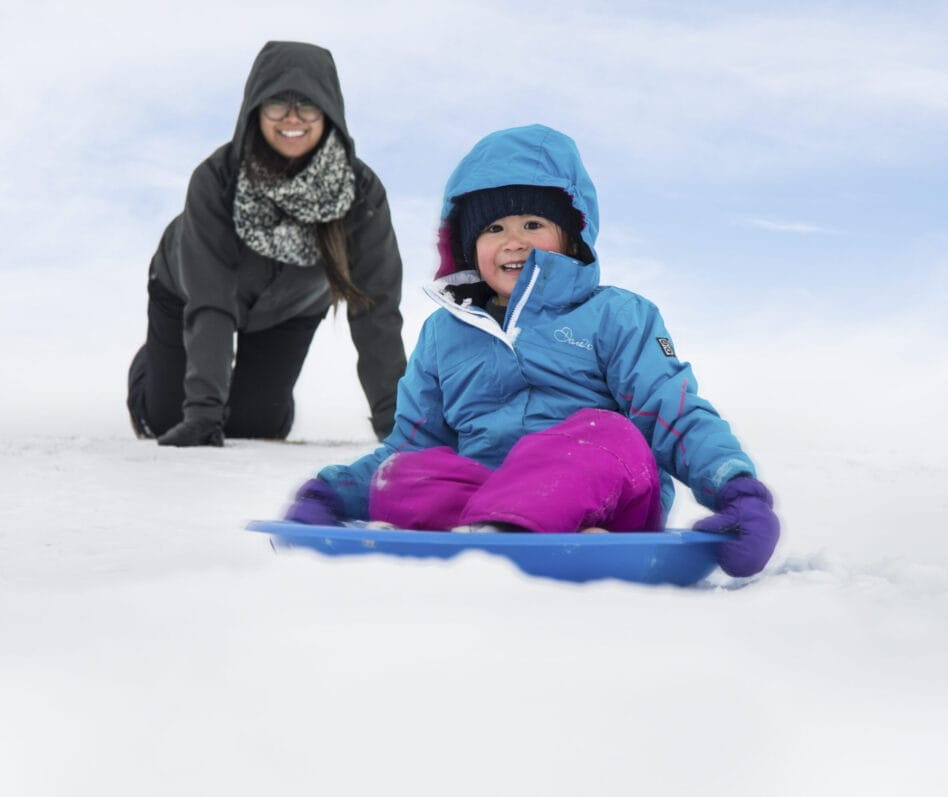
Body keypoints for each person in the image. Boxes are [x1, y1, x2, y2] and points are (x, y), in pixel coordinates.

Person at [285, 124, 779, 577]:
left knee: (606, 434)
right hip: (482, 495)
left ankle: (521, 530)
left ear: (571, 233)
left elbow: (673, 412)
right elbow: (413, 444)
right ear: (466, 244)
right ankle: (500, 530)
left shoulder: (617, 316)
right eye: (494, 229)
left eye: (533, 224)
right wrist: (333, 492)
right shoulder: (443, 334)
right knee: (412, 472)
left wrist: (738, 490)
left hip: (608, 499)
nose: (513, 242)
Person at [127, 41, 406, 446]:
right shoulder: (216, 180)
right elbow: (212, 300)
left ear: (328, 111)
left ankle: (255, 391)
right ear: (255, 108)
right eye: (277, 104)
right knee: (169, 417)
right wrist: (203, 411)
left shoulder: (360, 193)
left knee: (257, 427)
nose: (292, 119)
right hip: (190, 293)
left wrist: (396, 423)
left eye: (307, 105)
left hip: (289, 309)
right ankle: (154, 364)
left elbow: (376, 308)